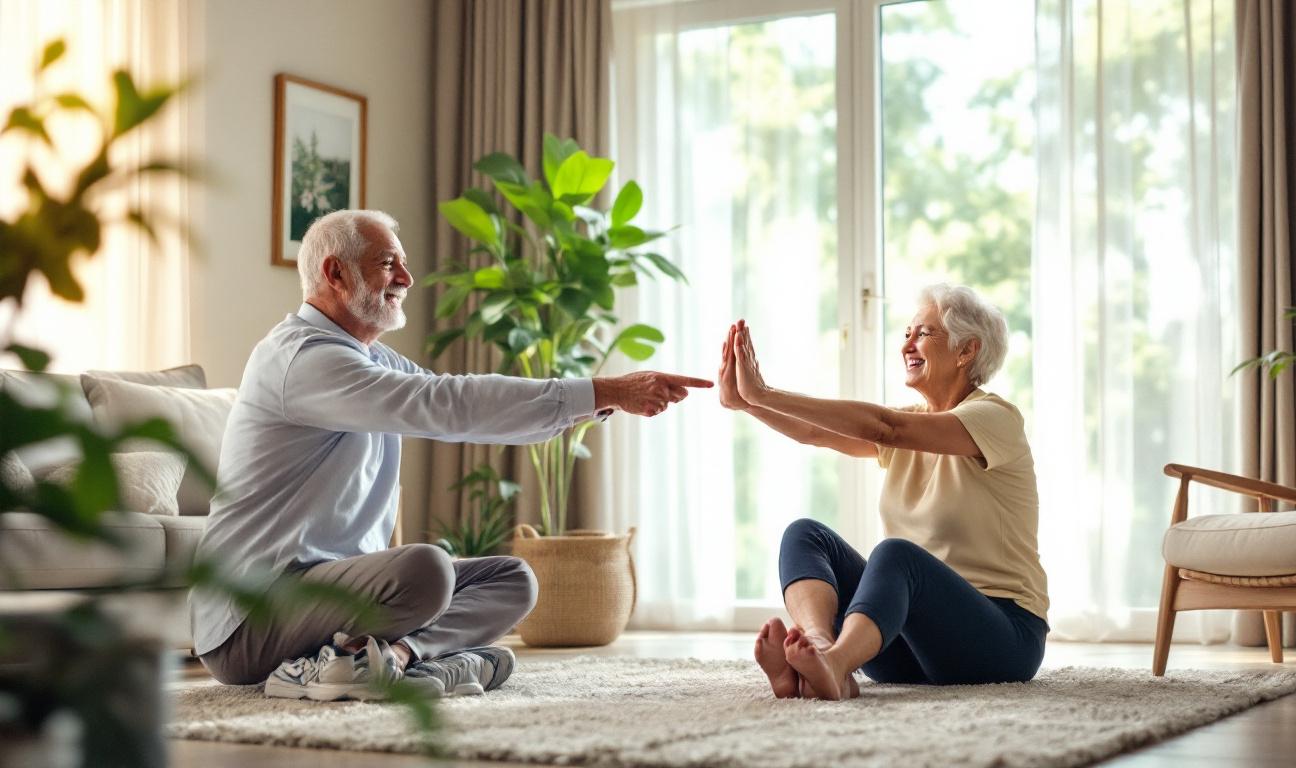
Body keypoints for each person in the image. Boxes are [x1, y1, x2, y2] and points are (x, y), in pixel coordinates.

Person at [190, 209, 712, 700]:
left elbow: (464, 408)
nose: (407, 279)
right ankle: (371, 664)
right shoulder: (302, 359)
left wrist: (597, 402)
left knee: (514, 579)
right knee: (427, 569)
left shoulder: (370, 358)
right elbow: (447, 405)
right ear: (336, 274)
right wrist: (604, 390)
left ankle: (392, 658)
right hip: (249, 620)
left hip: (329, 600)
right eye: (389, 264)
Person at [718, 284, 1048, 700]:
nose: (907, 344)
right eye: (907, 332)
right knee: (805, 533)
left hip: (1001, 640)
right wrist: (747, 403)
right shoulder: (909, 423)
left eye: (923, 334)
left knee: (895, 554)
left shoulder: (995, 418)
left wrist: (762, 393)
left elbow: (884, 427)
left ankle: (836, 668)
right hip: (910, 644)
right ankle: (821, 649)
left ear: (966, 351)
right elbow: (815, 432)